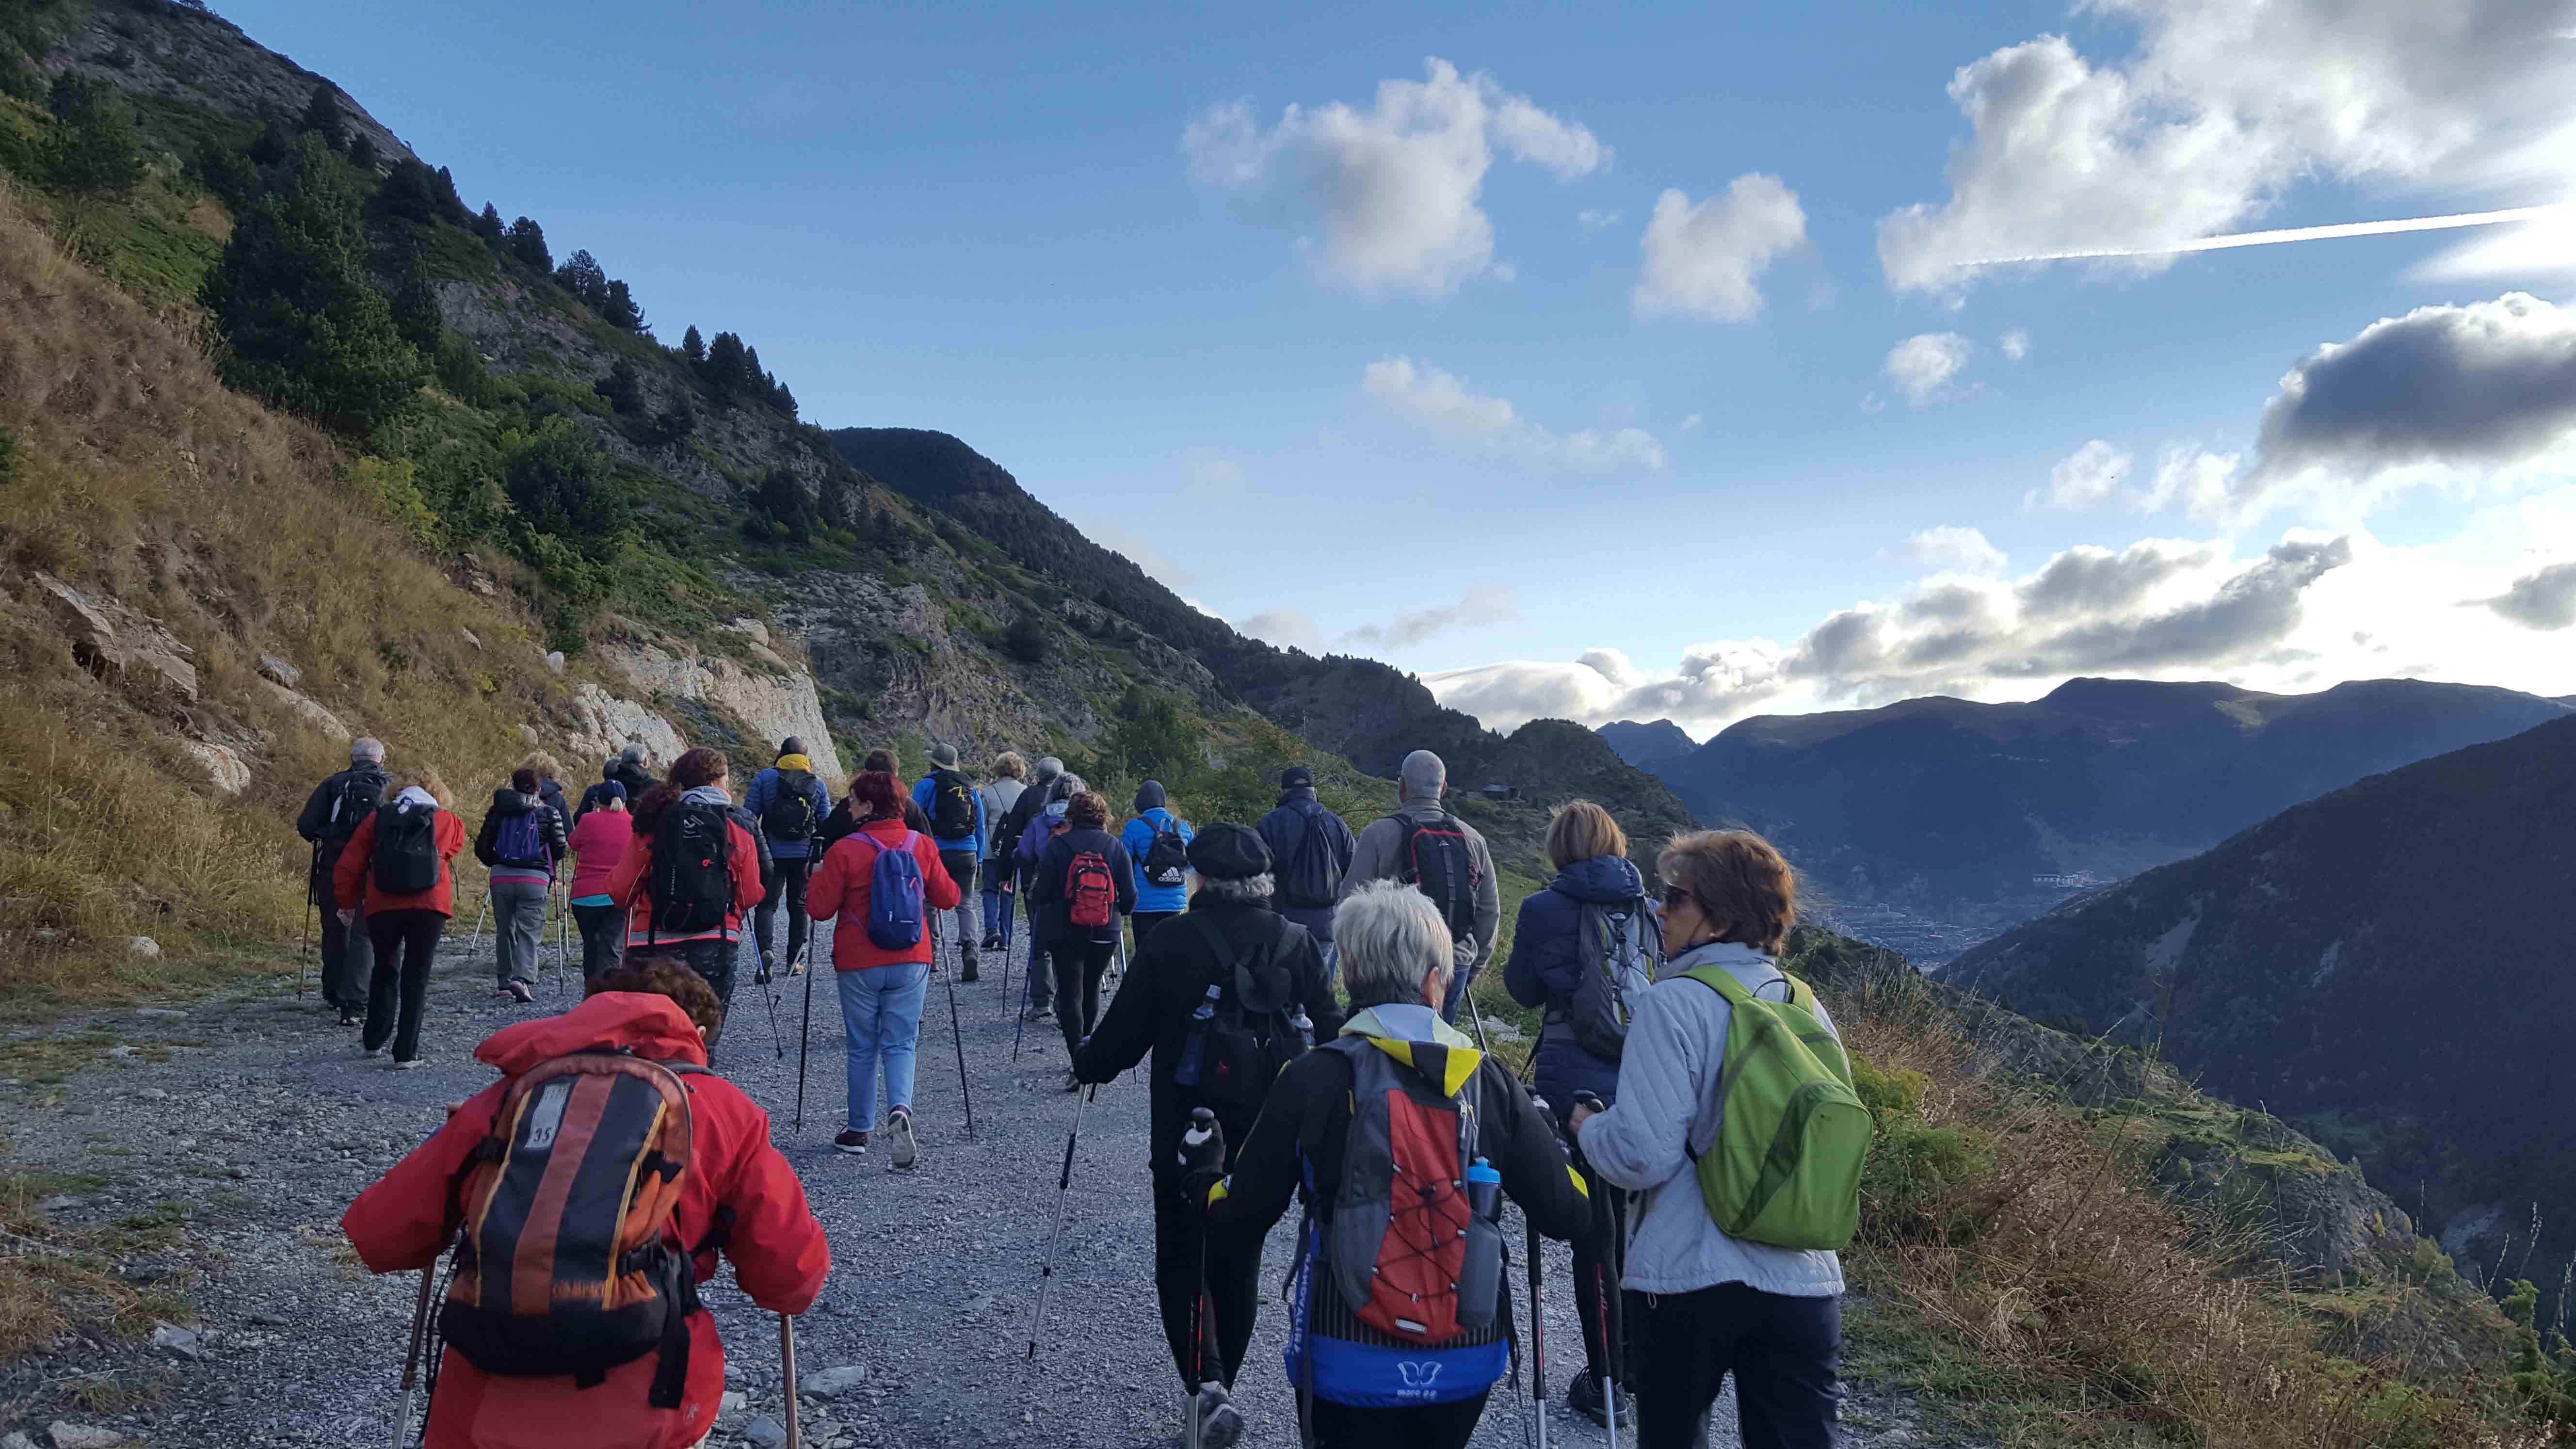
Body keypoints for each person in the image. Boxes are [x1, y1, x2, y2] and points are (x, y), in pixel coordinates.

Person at [342, 958, 831, 1449]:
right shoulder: (724, 1111)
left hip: (481, 1407)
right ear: (694, 1032)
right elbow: (790, 1281)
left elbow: (379, 1237)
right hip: (646, 1407)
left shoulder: (501, 1102)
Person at [1199, 881, 1591, 1449]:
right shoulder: (1490, 1082)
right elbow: (1569, 1215)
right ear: (1435, 981)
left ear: (1351, 973)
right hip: (1465, 1354)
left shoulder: (1314, 1076)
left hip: (1346, 1352)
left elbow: (1241, 1215)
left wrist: (1203, 1175)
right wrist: (1563, 1145)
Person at [1570, 830, 1846, 1449]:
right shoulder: (1805, 1005)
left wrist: (1589, 1130)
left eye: (1676, 897)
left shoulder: (1674, 1004)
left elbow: (1642, 1155)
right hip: (1804, 1279)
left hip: (1688, 1273)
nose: (1659, 910)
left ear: (1719, 918)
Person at [1073, 824, 1343, 1443]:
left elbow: (1119, 1042)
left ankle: (1208, 1386)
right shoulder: (1296, 941)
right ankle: (1221, 1388)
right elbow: (1331, 1029)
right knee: (1239, 1256)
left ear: (1199, 878)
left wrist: (1087, 1063)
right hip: (1270, 1131)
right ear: (1263, 882)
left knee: (1182, 1255)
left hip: (1184, 1127)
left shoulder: (1171, 941)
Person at [1503, 800, 1656, 1423]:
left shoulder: (1543, 909)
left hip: (1575, 1085)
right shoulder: (1649, 906)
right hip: (1648, 1076)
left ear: (1558, 849)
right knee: (1642, 1230)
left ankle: (1604, 1383)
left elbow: (1519, 988)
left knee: (1594, 1237)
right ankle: (1644, 1366)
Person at [807, 771, 959, 1164]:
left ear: (869, 807)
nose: (849, 806)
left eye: (854, 800)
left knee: (862, 1046)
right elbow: (949, 898)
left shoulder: (844, 850)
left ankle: (858, 1130)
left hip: (858, 960)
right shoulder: (921, 845)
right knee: (901, 1042)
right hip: (912, 958)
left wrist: (817, 877)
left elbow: (819, 910)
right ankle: (901, 1109)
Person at [606, 747, 769, 1060]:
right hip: (715, 944)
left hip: (653, 948)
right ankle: (696, 1100)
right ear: (714, 782)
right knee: (702, 1042)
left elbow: (621, 892)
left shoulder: (654, 824)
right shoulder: (735, 828)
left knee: (652, 1042)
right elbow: (749, 895)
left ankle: (655, 1102)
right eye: (725, 780)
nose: (729, 787)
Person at [1339, 749, 1499, 1026]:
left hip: (1387, 965)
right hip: (1452, 963)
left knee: (1380, 1050)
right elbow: (1489, 913)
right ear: (1444, 789)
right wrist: (1470, 966)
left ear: (1402, 786)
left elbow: (1348, 904)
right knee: (1437, 1050)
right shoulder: (1473, 839)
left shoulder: (1378, 835)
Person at [331, 768, 466, 1069]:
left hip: (384, 903)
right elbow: (450, 851)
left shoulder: (377, 819)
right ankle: (406, 1052)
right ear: (438, 792)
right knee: (417, 976)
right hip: (429, 905)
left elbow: (349, 865)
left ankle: (374, 1040)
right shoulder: (448, 821)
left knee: (385, 968)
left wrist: (348, 903)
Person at [1028, 788, 1133, 1089]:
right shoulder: (1115, 847)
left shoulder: (1059, 847)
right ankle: (1088, 1052)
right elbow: (1129, 899)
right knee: (1091, 990)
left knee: (1071, 993)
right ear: (1104, 817)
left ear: (1071, 816)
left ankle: (1078, 1059)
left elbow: (1043, 895)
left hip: (1065, 931)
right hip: (1105, 931)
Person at [296, 737, 392, 1026]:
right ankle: (361, 993)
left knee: (336, 929)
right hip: (377, 869)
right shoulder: (391, 786)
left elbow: (306, 827)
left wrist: (332, 834)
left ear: (352, 759)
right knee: (368, 933)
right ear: (381, 760)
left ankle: (334, 990)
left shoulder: (333, 784)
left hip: (334, 867)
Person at [475, 766, 569, 1004]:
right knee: (529, 931)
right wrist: (548, 867)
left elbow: (482, 847)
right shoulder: (549, 812)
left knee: (505, 929)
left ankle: (505, 982)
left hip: (501, 878)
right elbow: (560, 847)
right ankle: (523, 979)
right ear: (539, 789)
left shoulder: (498, 812)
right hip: (535, 879)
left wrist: (498, 863)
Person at [1256, 764, 1356, 979]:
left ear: (1284, 791)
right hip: (1327, 923)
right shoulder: (1337, 823)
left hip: (1282, 923)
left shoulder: (1270, 823)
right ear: (1313, 791)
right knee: (1320, 991)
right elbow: (1353, 872)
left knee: (1283, 989)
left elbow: (1257, 876)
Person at [745, 738, 831, 983]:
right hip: (803, 857)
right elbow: (825, 823)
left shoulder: (765, 778)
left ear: (781, 753)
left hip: (770, 854)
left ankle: (765, 956)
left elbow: (750, 816)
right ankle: (795, 962)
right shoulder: (818, 783)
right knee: (799, 907)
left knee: (767, 905)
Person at [912, 743, 987, 981]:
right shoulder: (970, 787)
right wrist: (980, 856)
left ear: (933, 763)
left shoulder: (925, 785)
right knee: (966, 904)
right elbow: (980, 825)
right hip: (967, 852)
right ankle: (970, 951)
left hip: (936, 852)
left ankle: (932, 955)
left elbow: (913, 820)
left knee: (930, 903)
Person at [997, 755, 1065, 1016]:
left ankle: (1041, 1000)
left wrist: (1007, 873)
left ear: (1038, 774)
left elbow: (1014, 840)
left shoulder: (1028, 799)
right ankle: (1066, 1000)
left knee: (1040, 938)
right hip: (1074, 884)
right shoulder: (1079, 807)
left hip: (1036, 882)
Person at [1120, 780, 1195, 956]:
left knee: (1145, 954)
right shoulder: (1182, 827)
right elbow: (1192, 862)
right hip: (1175, 903)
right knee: (1171, 955)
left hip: (1143, 903)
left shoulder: (1134, 826)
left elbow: (1122, 861)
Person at [565, 792, 633, 978]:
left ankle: (591, 994)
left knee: (591, 947)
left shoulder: (588, 820)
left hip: (585, 896)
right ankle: (608, 995)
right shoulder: (632, 823)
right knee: (612, 948)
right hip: (616, 895)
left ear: (598, 802)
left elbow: (573, 843)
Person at [978, 753, 1030, 953]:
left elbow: (981, 824)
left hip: (993, 849)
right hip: (1016, 848)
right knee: (1009, 893)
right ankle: (1006, 938)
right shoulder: (1025, 792)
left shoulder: (988, 793)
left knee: (990, 890)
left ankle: (992, 930)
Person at [578, 743, 658, 821]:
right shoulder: (659, 790)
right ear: (645, 762)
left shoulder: (597, 790)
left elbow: (578, 821)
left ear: (622, 762)